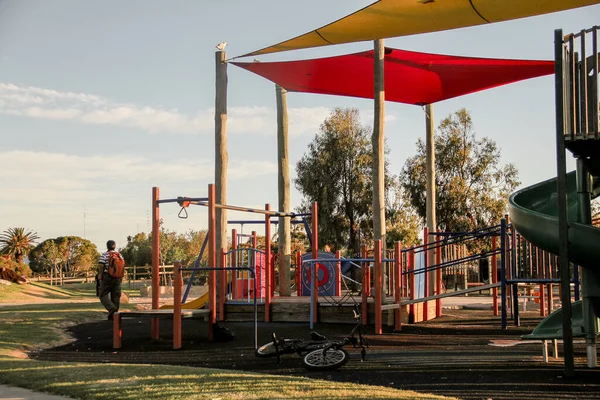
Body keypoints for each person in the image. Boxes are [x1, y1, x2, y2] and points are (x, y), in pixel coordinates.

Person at [98, 240, 122, 320]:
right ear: (115, 246)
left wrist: (100, 275)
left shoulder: (104, 255)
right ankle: (114, 316)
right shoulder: (120, 255)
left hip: (107, 277)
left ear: (107, 246)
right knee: (116, 296)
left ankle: (111, 309)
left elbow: (101, 265)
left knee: (102, 294)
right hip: (118, 278)